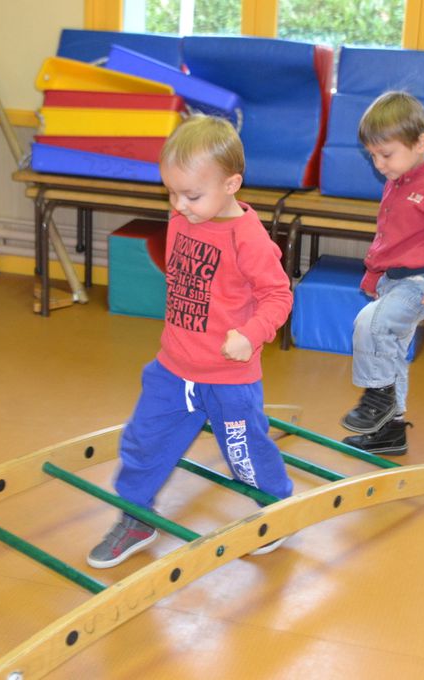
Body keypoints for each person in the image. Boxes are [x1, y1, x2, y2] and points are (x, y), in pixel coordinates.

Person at [88, 115, 294, 569]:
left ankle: (278, 507)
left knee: (244, 455)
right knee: (143, 441)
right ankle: (137, 516)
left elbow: (278, 295)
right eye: (171, 193)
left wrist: (251, 334)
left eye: (191, 195)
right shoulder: (184, 217)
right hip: (173, 367)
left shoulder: (248, 238)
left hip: (228, 377)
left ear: (232, 184)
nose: (179, 205)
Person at [340, 91, 424, 456]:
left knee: (369, 324)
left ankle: (378, 397)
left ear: (420, 143)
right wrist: (373, 275)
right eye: (373, 155)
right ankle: (391, 430)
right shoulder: (397, 182)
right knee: (390, 349)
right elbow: (388, 237)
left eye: (386, 155)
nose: (379, 164)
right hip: (394, 280)